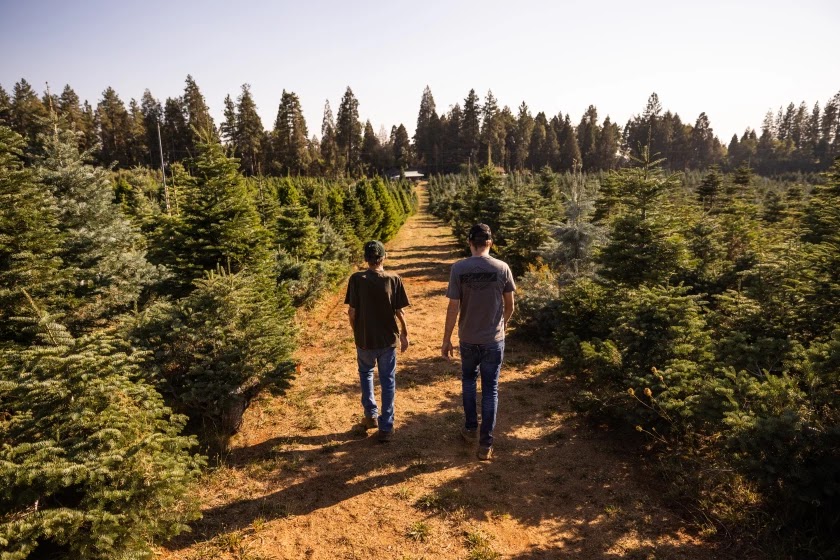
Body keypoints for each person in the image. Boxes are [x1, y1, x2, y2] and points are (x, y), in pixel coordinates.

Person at [441, 223, 515, 460]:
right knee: (491, 389)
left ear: (470, 243)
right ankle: (486, 445)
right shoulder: (502, 268)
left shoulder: (459, 268)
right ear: (490, 243)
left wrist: (446, 339)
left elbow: (453, 307)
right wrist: (501, 325)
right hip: (494, 340)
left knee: (469, 381)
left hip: (468, 339)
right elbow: (510, 305)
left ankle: (470, 428)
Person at [345, 240, 410, 442]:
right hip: (388, 340)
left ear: (365, 259)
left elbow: (352, 312)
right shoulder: (393, 279)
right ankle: (386, 426)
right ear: (384, 257)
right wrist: (405, 334)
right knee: (388, 380)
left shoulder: (356, 279)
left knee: (366, 374)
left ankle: (370, 415)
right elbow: (399, 311)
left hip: (365, 339)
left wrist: (357, 333)